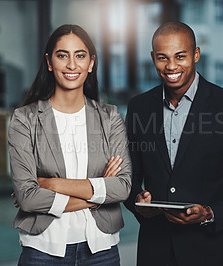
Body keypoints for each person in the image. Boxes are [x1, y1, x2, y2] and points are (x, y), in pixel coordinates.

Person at [124, 21, 223, 266]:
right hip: (155, 251)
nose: (171, 66)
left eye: (180, 56)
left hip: (215, 252)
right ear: (153, 57)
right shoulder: (140, 107)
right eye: (162, 58)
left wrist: (210, 213)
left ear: (196, 54)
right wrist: (138, 203)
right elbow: (130, 175)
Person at [8, 24, 131, 266]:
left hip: (102, 249)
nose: (72, 65)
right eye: (62, 55)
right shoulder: (24, 119)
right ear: (49, 61)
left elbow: (123, 187)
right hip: (42, 249)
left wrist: (53, 184)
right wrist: (99, 194)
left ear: (91, 63)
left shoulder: (110, 117)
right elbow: (29, 198)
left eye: (80, 56)